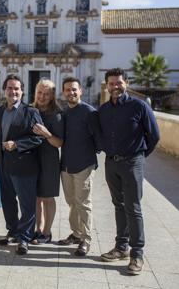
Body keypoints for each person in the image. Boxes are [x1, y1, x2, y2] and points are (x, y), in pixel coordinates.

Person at [99, 68, 160, 275]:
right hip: (111, 164)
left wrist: (139, 157)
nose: (115, 87)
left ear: (126, 83)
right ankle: (121, 247)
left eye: (119, 83)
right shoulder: (104, 110)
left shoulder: (139, 106)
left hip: (133, 162)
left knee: (133, 208)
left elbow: (154, 136)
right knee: (118, 205)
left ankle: (137, 254)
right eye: (112, 83)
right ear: (106, 85)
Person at [0, 74, 43, 255]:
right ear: (4, 91)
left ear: (22, 91)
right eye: (9, 88)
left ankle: (25, 238)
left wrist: (17, 144)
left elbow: (39, 138)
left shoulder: (31, 112)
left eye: (16, 88)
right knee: (7, 201)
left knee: (27, 204)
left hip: (24, 166)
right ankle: (13, 230)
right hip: (3, 165)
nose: (13, 91)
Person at [58, 76, 100, 256]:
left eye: (74, 89)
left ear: (80, 91)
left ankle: (86, 239)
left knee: (83, 203)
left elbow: (98, 139)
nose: (71, 92)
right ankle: (76, 234)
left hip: (84, 164)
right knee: (72, 202)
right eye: (67, 90)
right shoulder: (65, 112)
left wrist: (88, 156)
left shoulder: (89, 112)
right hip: (66, 164)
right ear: (63, 92)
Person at [30, 79, 64, 244]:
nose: (42, 97)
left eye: (47, 94)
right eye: (40, 93)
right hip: (30, 159)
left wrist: (47, 134)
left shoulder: (56, 115)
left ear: (52, 96)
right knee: (35, 197)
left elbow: (59, 143)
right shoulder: (29, 110)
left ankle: (47, 232)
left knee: (47, 198)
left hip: (48, 161)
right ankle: (38, 230)